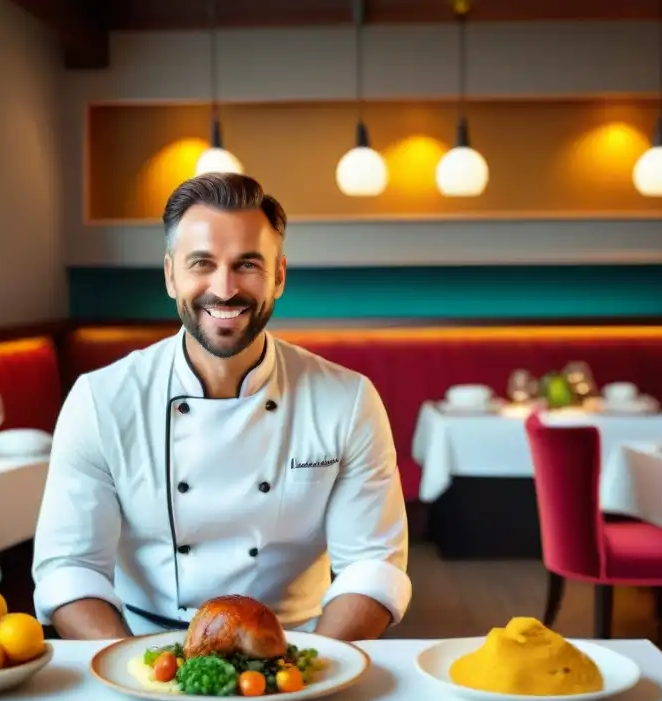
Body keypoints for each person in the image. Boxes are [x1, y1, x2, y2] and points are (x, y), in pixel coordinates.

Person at [31, 172, 411, 642]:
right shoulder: (101, 400)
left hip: (300, 643)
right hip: (147, 644)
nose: (225, 288)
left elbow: (372, 566)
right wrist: (133, 673)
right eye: (202, 263)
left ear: (279, 276)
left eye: (247, 264)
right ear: (171, 275)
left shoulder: (347, 400)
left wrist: (312, 673)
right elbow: (70, 568)